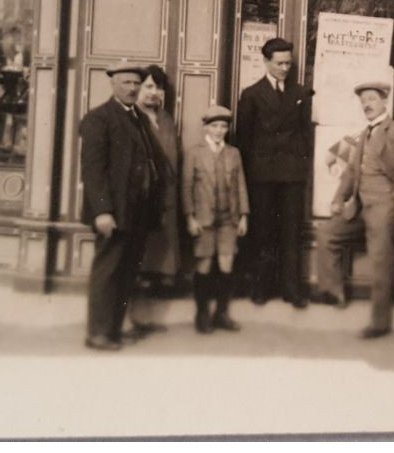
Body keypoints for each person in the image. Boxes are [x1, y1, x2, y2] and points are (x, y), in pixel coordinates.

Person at [314, 79, 394, 338]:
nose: (367, 104)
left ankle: (379, 323)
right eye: (363, 101)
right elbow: (352, 171)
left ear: (384, 101)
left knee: (380, 261)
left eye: (372, 99)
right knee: (327, 233)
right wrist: (339, 198)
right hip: (360, 207)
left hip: (384, 208)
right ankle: (334, 291)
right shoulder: (365, 133)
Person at [78, 61, 170, 352]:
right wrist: (103, 211)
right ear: (113, 84)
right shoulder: (99, 119)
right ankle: (98, 333)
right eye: (126, 83)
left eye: (136, 84)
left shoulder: (138, 118)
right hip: (114, 212)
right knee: (108, 271)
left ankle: (113, 330)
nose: (131, 88)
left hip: (137, 211)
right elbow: (93, 170)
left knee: (127, 271)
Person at [231, 38, 313, 308]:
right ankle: (261, 287)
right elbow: (243, 139)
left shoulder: (300, 93)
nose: (284, 68)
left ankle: (292, 290)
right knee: (263, 231)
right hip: (261, 176)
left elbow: (305, 135)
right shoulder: (251, 94)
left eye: (288, 63)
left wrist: (299, 166)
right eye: (279, 63)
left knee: (291, 232)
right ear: (266, 62)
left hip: (291, 175)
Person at [128, 65, 186, 339]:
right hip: (140, 196)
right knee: (136, 258)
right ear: (138, 88)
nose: (154, 92)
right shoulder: (131, 118)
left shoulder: (166, 119)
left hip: (166, 196)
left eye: (158, 87)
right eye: (149, 86)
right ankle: (134, 319)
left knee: (159, 253)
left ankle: (149, 317)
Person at [182, 105, 250, 333]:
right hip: (204, 218)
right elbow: (186, 187)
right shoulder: (194, 153)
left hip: (228, 218)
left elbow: (241, 186)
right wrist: (190, 217)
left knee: (226, 262)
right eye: (215, 126)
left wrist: (243, 216)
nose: (219, 131)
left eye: (223, 126)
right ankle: (202, 315)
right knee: (204, 262)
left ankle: (222, 314)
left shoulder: (234, 153)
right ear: (206, 128)